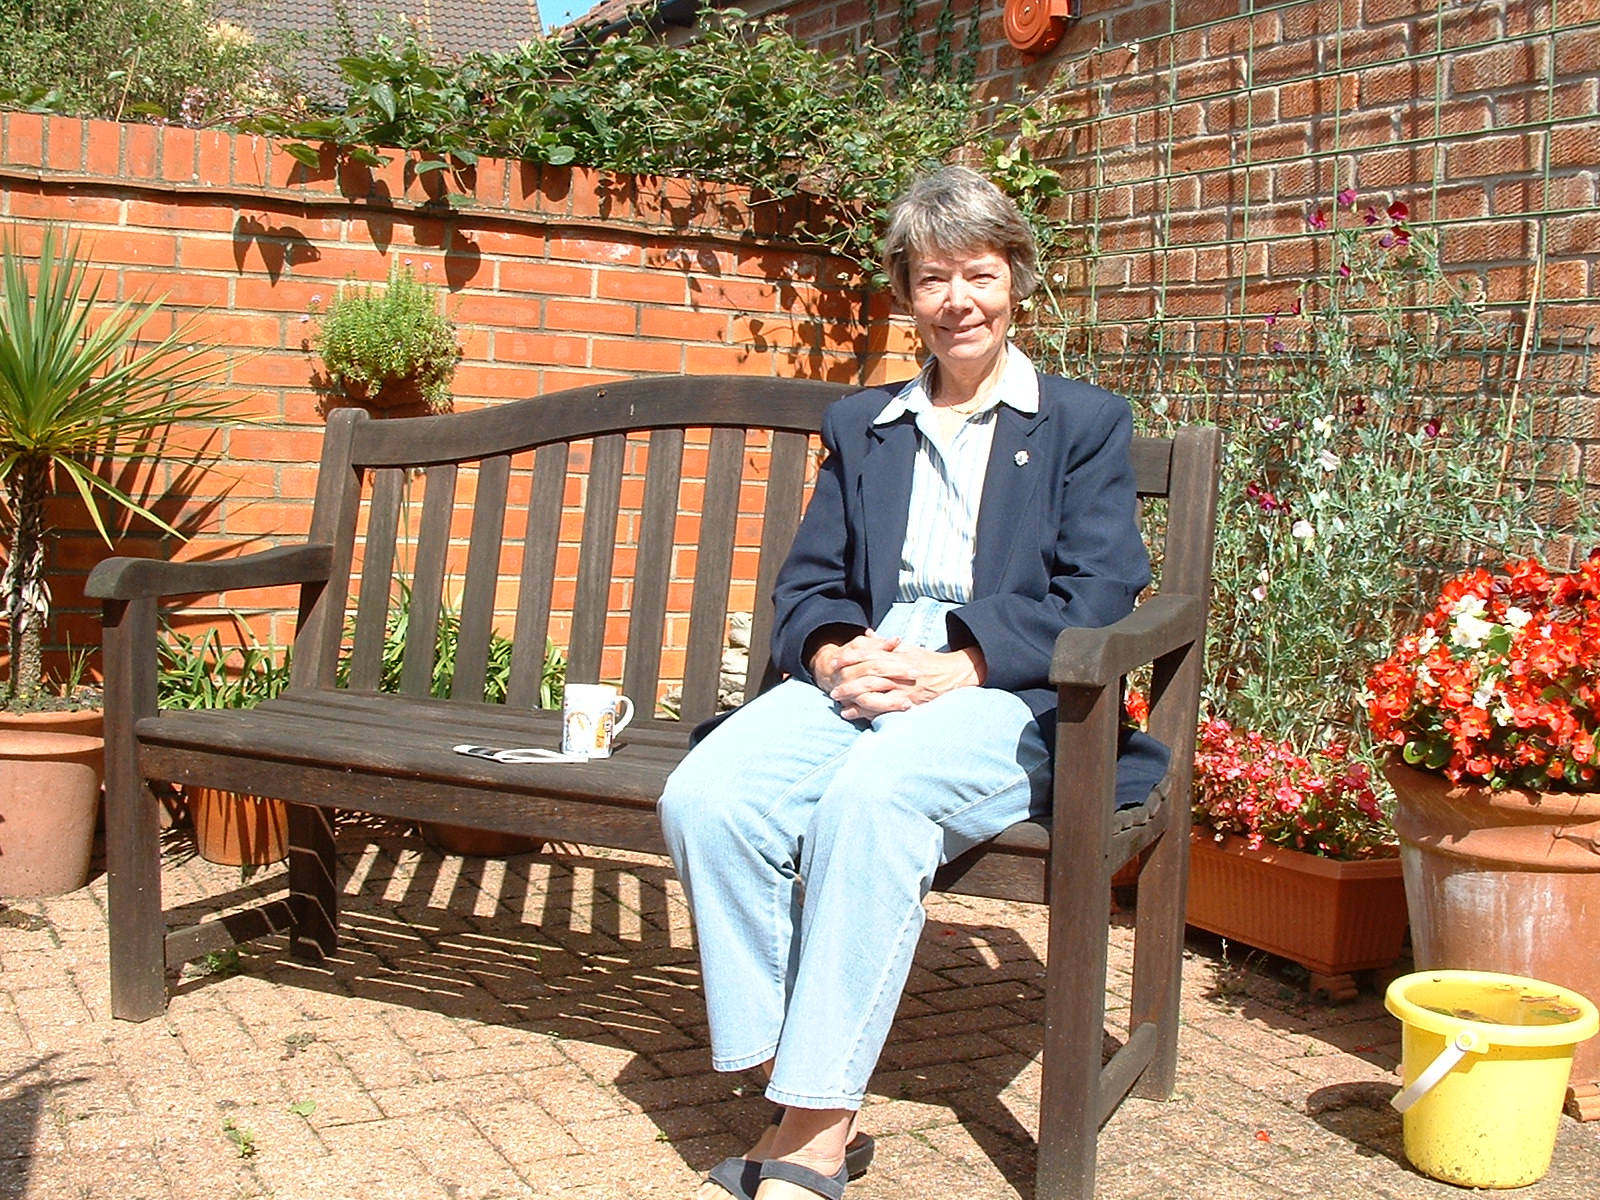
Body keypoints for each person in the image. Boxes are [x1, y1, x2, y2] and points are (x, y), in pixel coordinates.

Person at [657, 165, 1167, 1200]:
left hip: (1007, 686)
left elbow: (1103, 587)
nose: (957, 300)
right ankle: (792, 1067)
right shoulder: (866, 424)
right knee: (708, 796)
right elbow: (810, 582)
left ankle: (813, 1132)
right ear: (905, 293)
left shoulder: (1080, 421)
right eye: (932, 278)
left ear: (1016, 278)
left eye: (978, 273)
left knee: (871, 800)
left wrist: (965, 661)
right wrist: (833, 653)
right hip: (872, 664)